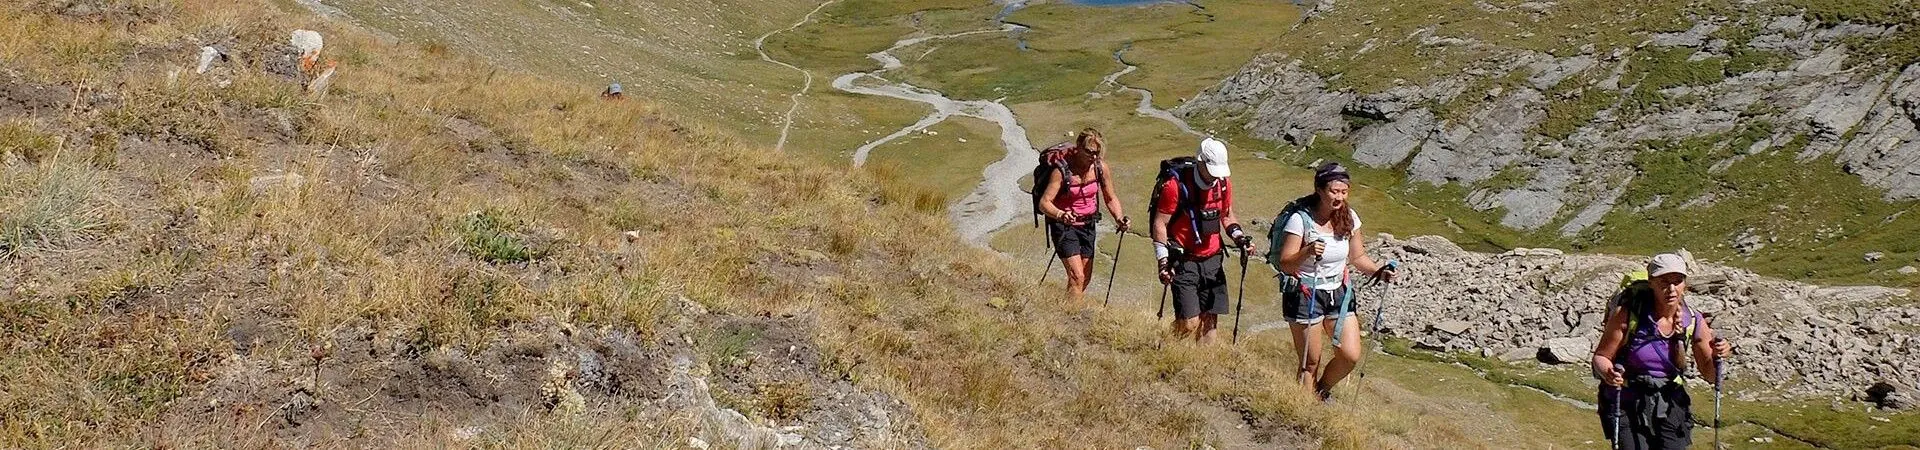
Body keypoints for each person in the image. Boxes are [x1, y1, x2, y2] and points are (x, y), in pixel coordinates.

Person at [1273, 162, 1396, 400]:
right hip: (1305, 292)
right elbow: (1286, 263)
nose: (1339, 196)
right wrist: (1307, 251)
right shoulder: (1300, 220)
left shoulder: (1349, 217)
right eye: (1334, 191)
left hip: (1339, 292)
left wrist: (1378, 272)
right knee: (1310, 361)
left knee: (1350, 355)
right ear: (1319, 190)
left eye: (1344, 191)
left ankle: (1320, 393)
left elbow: (1358, 257)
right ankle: (1305, 409)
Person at [1591, 253, 1734, 450]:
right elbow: (1601, 356)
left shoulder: (1693, 320)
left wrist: (1718, 356)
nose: (1672, 289)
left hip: (1670, 400)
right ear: (1651, 282)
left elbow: (1710, 375)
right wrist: (1609, 374)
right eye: (1664, 282)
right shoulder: (1628, 314)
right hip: (1627, 399)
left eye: (1678, 281)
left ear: (1685, 284)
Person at [1152, 137, 1251, 343]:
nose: (1215, 177)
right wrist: (1163, 260)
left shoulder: (1223, 184)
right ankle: (1164, 343)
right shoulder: (1174, 186)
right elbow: (1160, 224)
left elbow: (1226, 215)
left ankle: (1204, 368)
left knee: (1210, 322)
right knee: (1190, 323)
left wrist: (1240, 238)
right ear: (1200, 162)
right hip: (1184, 260)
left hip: (1213, 260)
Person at [1038, 129, 1129, 304]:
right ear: (1078, 147)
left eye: (1097, 153)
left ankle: (1065, 308)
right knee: (1077, 275)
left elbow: (1110, 197)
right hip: (1064, 226)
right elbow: (1044, 203)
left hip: (1088, 225)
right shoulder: (1062, 170)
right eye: (1089, 152)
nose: (1093, 157)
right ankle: (1071, 316)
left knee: (1084, 278)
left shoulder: (1100, 168)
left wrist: (1119, 218)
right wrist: (1061, 214)